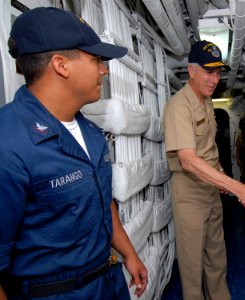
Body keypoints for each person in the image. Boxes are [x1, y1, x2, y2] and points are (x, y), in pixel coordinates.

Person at [0, 7, 148, 299]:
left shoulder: (91, 133)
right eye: (96, 60)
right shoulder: (9, 144)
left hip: (107, 282)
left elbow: (104, 202)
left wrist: (129, 253)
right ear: (61, 65)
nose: (104, 69)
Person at [163, 40, 245, 299]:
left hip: (210, 188)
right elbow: (187, 159)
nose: (215, 78)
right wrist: (237, 188)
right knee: (192, 266)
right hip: (189, 192)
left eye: (218, 72)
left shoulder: (207, 103)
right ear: (192, 70)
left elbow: (206, 147)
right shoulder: (179, 106)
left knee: (216, 258)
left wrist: (219, 169)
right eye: (209, 71)